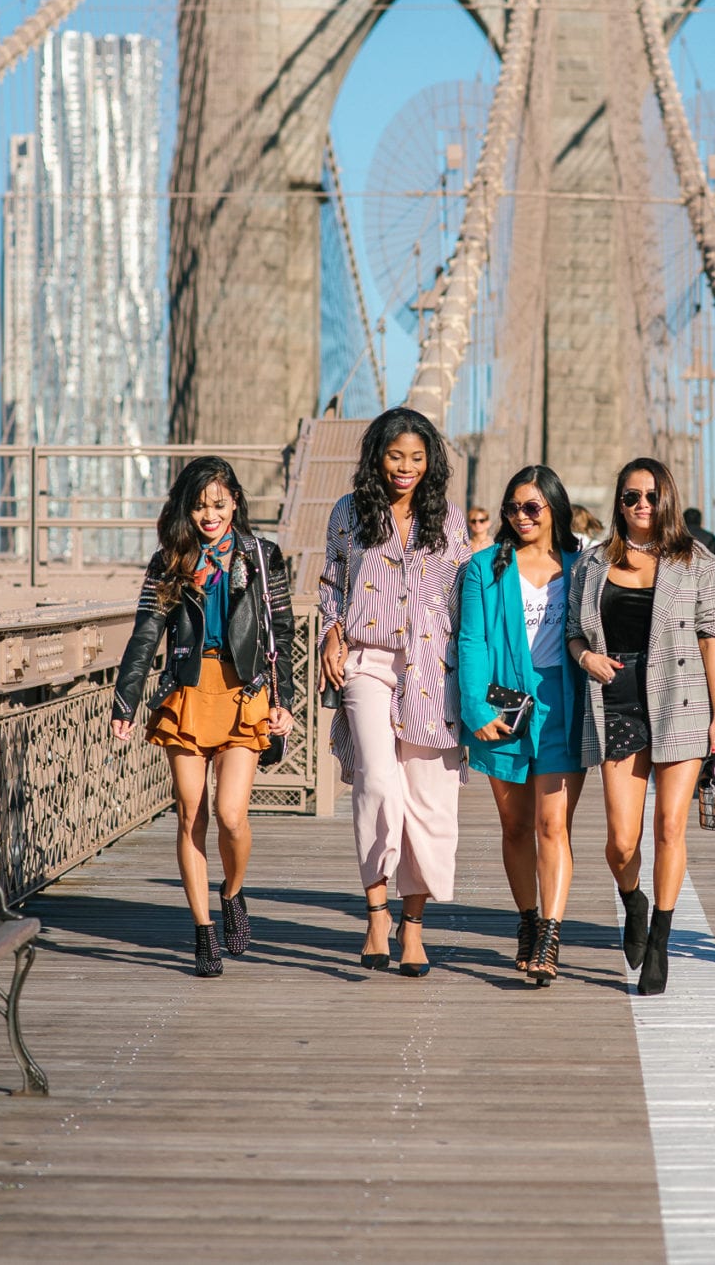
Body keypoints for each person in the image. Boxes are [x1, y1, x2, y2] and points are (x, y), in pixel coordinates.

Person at [111, 457, 295, 977]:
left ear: (235, 501)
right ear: (185, 510)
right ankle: (203, 931)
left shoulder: (263, 556)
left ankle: (232, 892)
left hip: (244, 691)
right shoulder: (169, 559)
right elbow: (146, 633)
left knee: (231, 813)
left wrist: (287, 702)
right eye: (198, 506)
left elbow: (281, 633)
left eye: (218, 504)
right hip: (188, 691)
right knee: (191, 811)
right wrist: (125, 700)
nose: (208, 515)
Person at [567, 458, 715, 996]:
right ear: (619, 503)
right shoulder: (591, 564)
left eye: (652, 495)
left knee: (669, 826)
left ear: (668, 500)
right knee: (619, 841)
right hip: (615, 701)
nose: (642, 505)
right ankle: (633, 900)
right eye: (632, 496)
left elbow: (712, 638)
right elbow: (573, 632)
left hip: (681, 701)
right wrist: (585, 656)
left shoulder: (696, 561)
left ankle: (659, 938)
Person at [318, 407, 470, 978]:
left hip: (434, 670)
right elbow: (332, 582)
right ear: (376, 458)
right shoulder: (348, 514)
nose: (405, 467)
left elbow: (464, 601)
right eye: (394, 455)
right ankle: (375, 911)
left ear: (430, 462)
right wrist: (332, 635)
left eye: (416, 457)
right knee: (377, 782)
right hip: (367, 661)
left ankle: (412, 928)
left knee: (429, 804)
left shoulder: (448, 521)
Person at [458, 466, 586, 985]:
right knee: (515, 825)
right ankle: (528, 923)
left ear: (554, 506)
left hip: (564, 708)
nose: (520, 516)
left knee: (552, 826)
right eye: (512, 508)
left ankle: (551, 937)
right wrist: (475, 709)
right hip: (502, 707)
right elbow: (470, 641)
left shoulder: (583, 566)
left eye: (531, 507)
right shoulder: (485, 567)